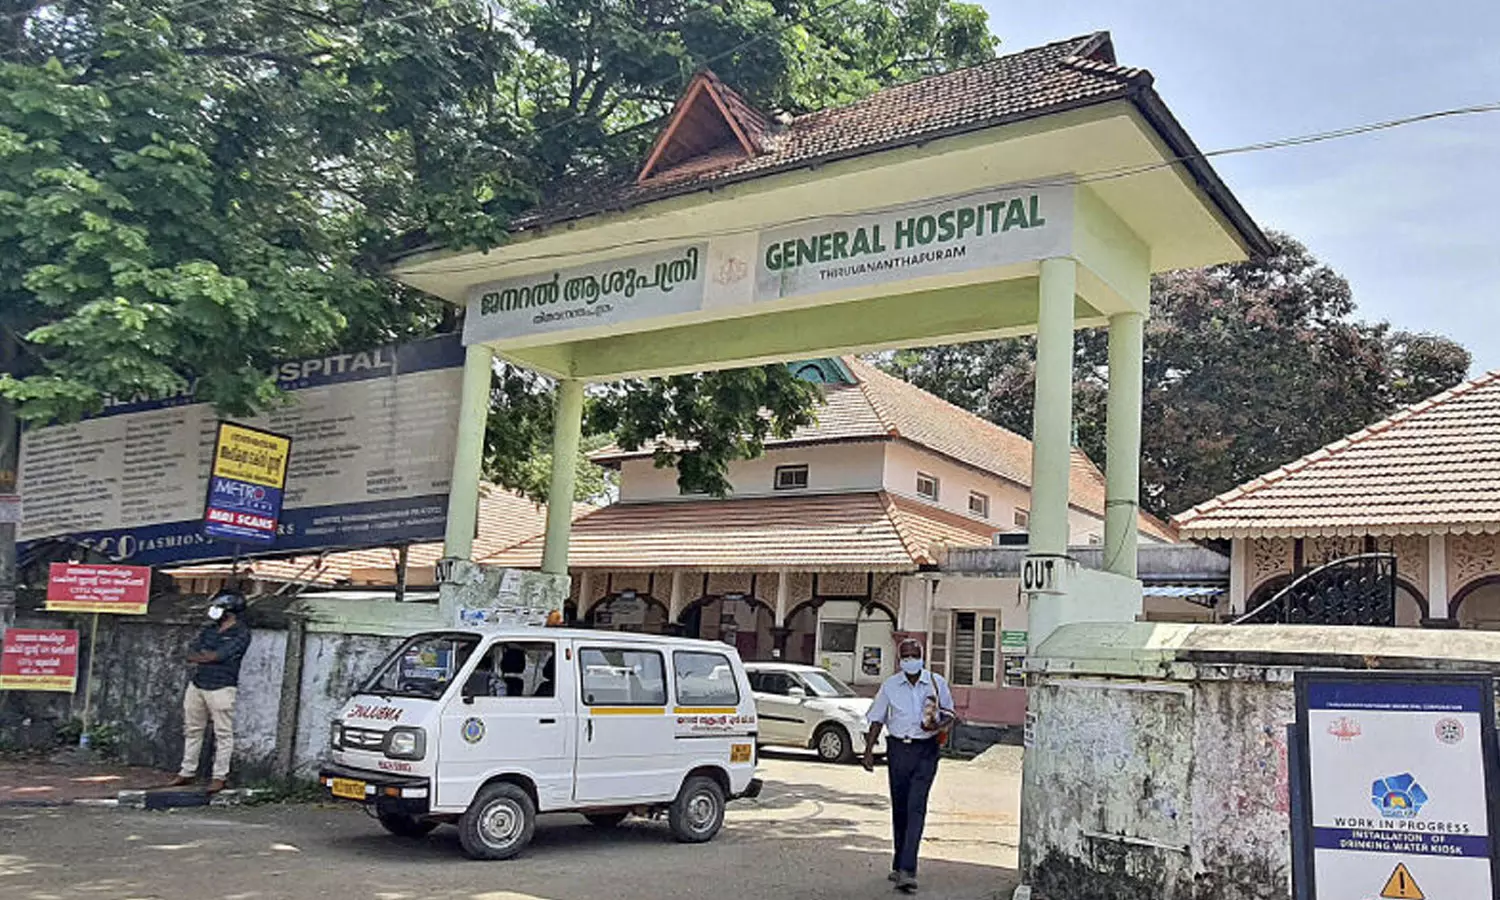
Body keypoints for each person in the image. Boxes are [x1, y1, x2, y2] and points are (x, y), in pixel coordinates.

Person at [863, 638, 955, 894]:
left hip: (926, 750)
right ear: (900, 659)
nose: (910, 660)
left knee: (916, 806)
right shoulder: (891, 686)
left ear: (922, 656)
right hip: (898, 750)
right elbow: (876, 718)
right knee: (900, 807)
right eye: (905, 656)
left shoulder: (937, 683)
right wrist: (869, 751)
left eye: (914, 655)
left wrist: (938, 725)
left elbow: (950, 713)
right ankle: (898, 863)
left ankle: (908, 870)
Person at [168, 588, 252, 793]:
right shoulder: (210, 629)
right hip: (198, 683)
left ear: (229, 611)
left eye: (218, 607)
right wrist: (205, 656)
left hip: (222, 687)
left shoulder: (241, 633)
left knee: (223, 733)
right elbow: (192, 651)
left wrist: (205, 656)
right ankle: (186, 772)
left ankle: (219, 777)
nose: (213, 611)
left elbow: (216, 656)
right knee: (192, 729)